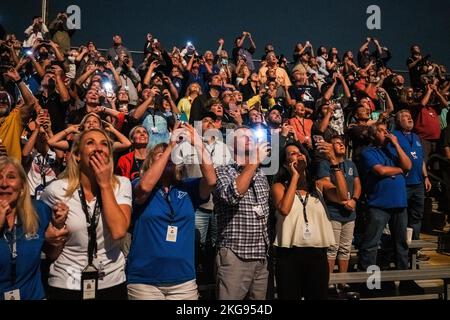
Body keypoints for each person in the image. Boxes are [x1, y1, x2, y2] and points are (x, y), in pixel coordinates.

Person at [126, 124, 216, 300]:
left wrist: (198, 144)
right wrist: (170, 146)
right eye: (161, 156)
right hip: (145, 281)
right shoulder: (137, 183)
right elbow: (144, 187)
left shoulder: (188, 187)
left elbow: (211, 181)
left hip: (183, 281)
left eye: (172, 156)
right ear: (151, 162)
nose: (168, 159)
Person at [40, 128, 132, 300]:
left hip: (111, 281)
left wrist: (105, 184)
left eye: (104, 144)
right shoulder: (56, 189)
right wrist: (52, 234)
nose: (98, 148)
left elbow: (119, 231)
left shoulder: (121, 184)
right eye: (90, 143)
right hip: (66, 282)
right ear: (77, 155)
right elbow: (49, 249)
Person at [272, 141, 347, 300]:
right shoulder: (280, 186)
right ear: (285, 163)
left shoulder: (318, 185)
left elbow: (343, 196)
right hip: (289, 255)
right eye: (292, 153)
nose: (297, 154)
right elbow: (284, 209)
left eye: (299, 151)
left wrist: (334, 162)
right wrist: (295, 176)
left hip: (317, 254)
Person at [213, 126, 271, 300]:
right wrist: (254, 161)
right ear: (231, 145)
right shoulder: (222, 171)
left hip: (261, 256)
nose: (249, 137)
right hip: (235, 255)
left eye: (251, 136)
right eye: (243, 136)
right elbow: (232, 196)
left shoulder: (261, 174)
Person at [0, 156, 68, 300]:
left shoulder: (39, 211)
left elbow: (53, 254)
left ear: (23, 187)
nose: (4, 183)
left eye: (11, 177)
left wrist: (57, 230)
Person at [358, 123, 412, 271]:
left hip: (399, 203)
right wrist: (400, 169)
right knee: (371, 244)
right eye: (381, 131)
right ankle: (369, 282)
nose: (386, 133)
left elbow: (409, 165)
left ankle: (404, 279)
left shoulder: (393, 151)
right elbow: (380, 171)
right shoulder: (368, 152)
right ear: (373, 135)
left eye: (386, 130)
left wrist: (396, 144)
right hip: (379, 204)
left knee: (401, 243)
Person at [316, 135, 361, 291]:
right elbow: (326, 187)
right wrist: (343, 202)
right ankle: (329, 281)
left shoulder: (350, 163)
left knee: (345, 248)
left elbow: (357, 184)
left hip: (350, 214)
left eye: (342, 143)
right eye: (336, 143)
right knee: (332, 248)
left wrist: (354, 199)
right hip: (333, 212)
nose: (341, 145)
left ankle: (342, 281)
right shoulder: (325, 164)